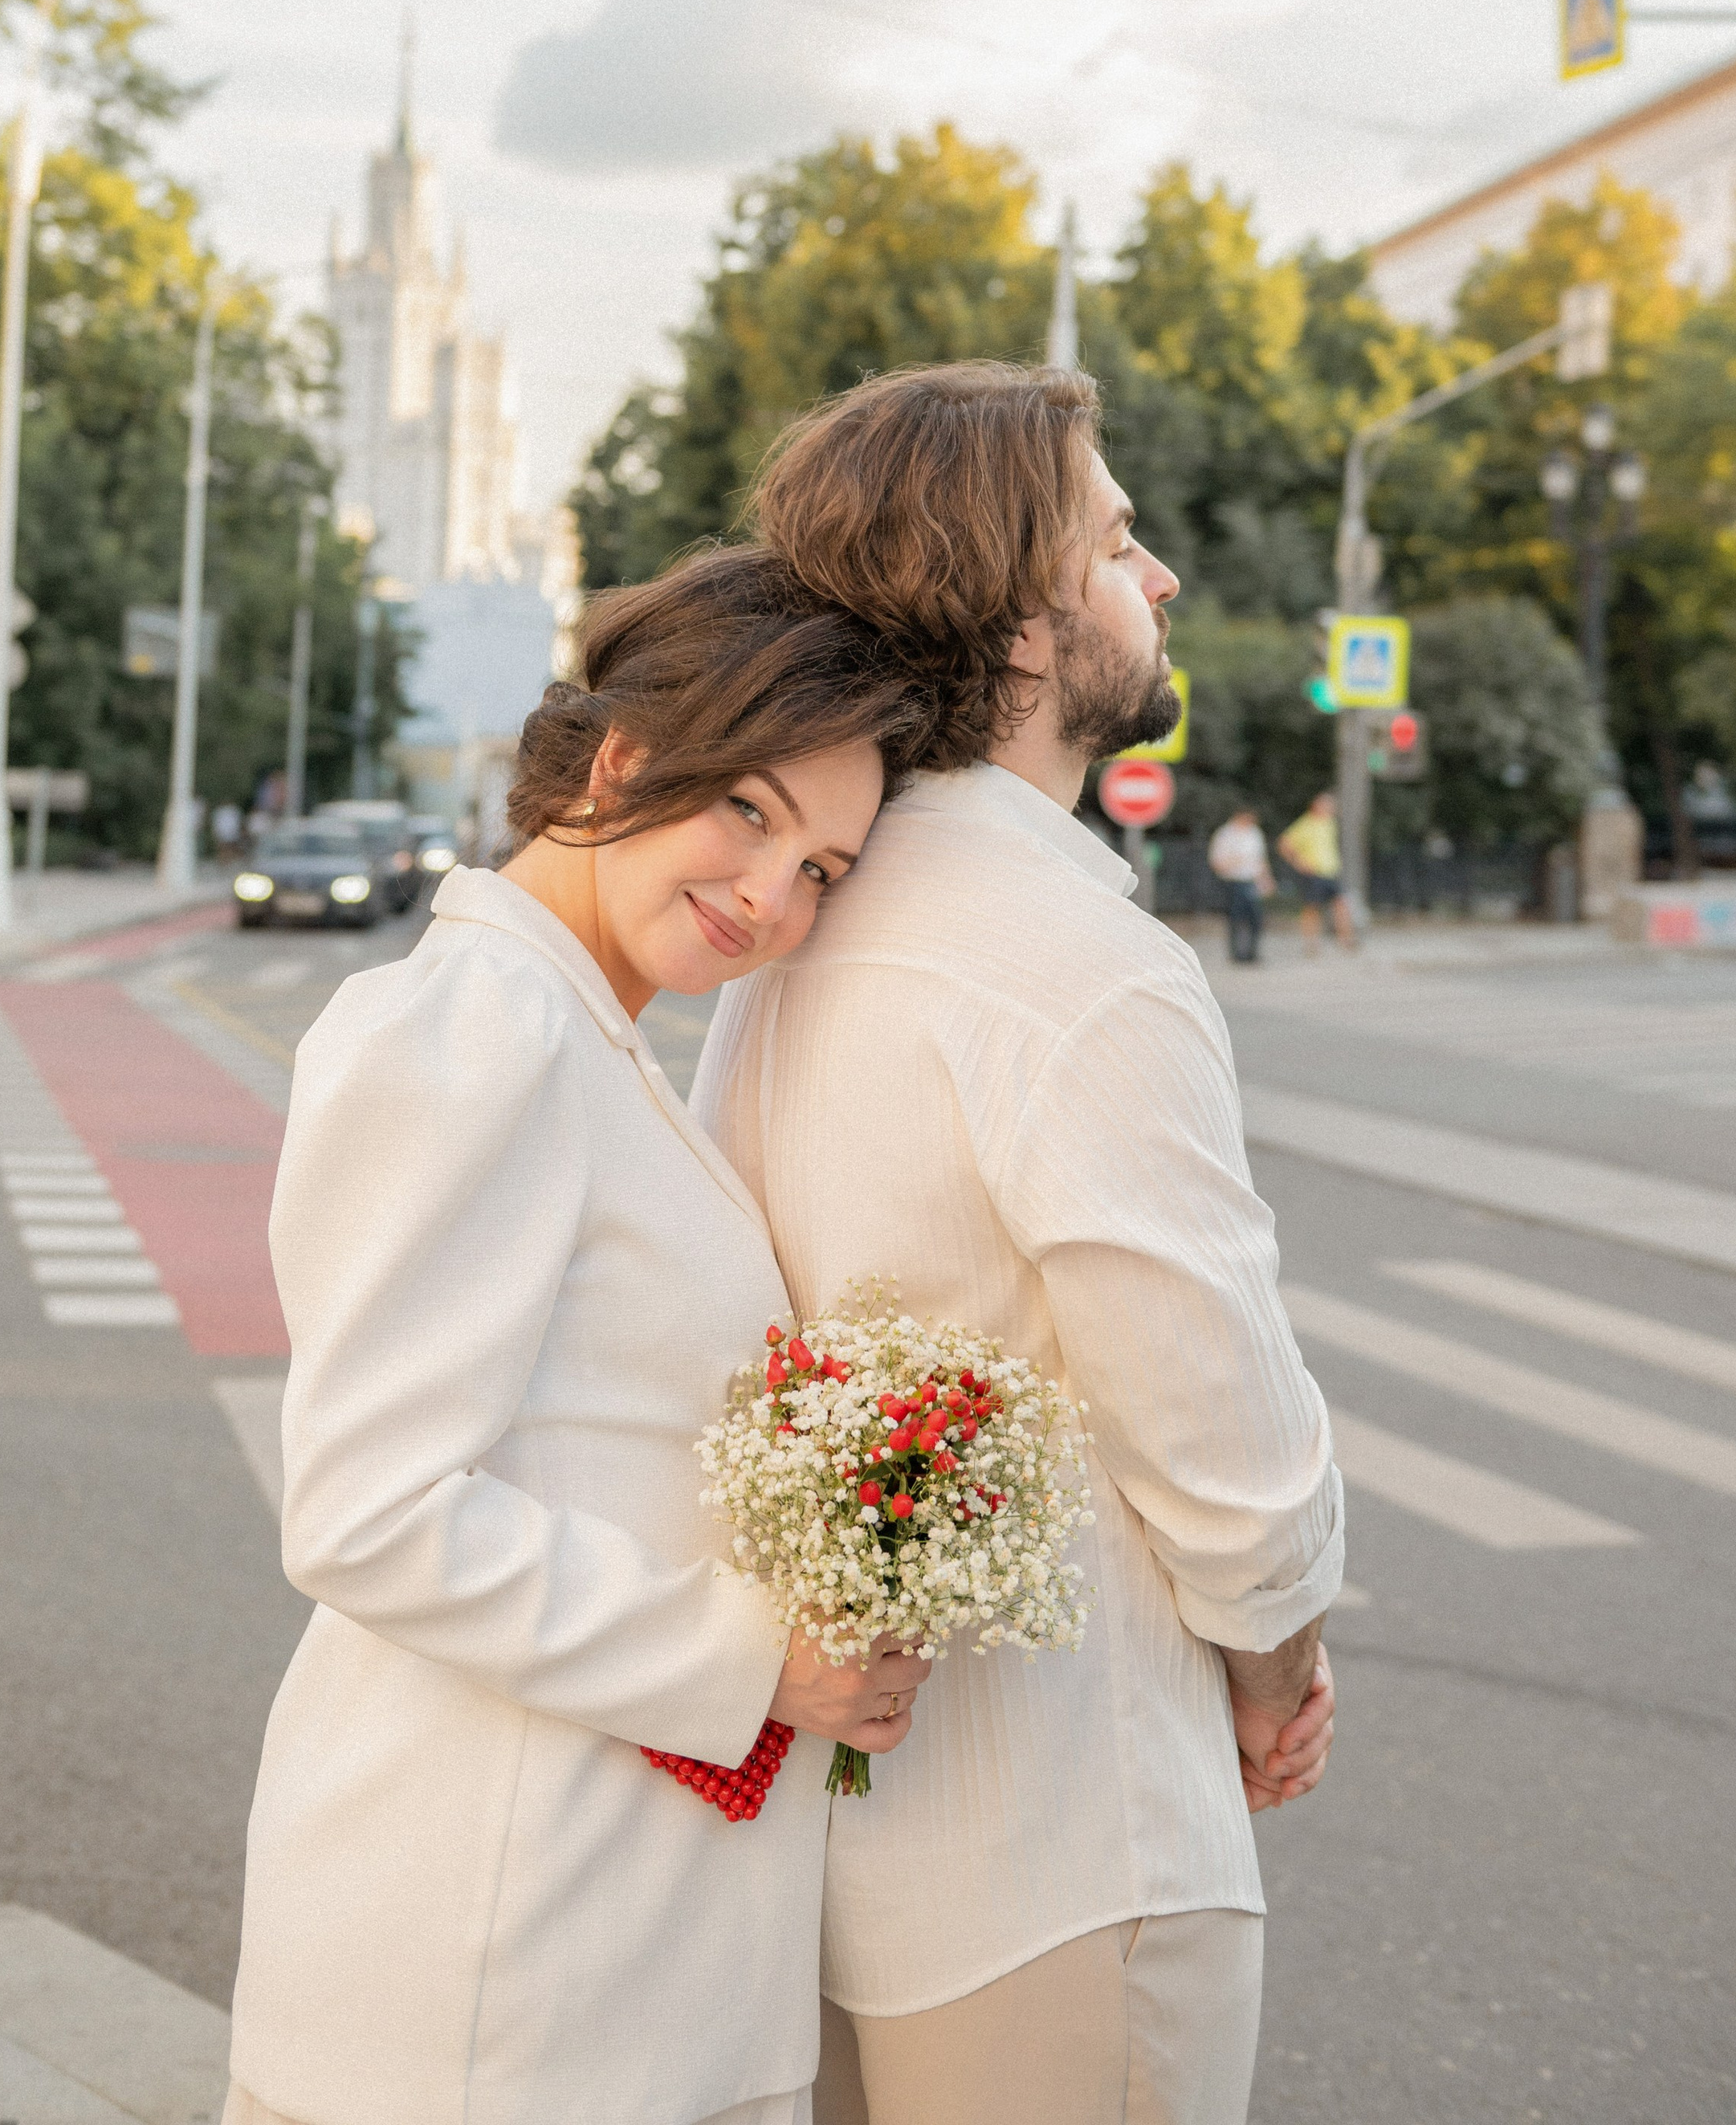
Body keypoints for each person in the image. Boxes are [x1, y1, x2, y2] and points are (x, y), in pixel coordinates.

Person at [695, 362, 1343, 2125]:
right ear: (1026, 629)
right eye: (1117, 540)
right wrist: (1277, 1669)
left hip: (837, 1851)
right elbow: (1214, 1429)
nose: (1161, 580)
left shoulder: (791, 945)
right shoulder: (1076, 967)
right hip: (1074, 1849)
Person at [225, 546, 933, 2125]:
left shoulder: (578, 1036)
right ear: (622, 756)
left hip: (599, 1935)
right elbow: (370, 1512)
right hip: (490, 1958)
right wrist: (765, 1656)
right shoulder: (475, 1028)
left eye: (821, 867)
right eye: (747, 811)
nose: (771, 894)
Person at [1278, 789, 1356, 952]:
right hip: (1314, 874)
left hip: (1331, 872)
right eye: (1327, 804)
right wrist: (1298, 862)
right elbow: (1284, 843)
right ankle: (1311, 944)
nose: (1331, 808)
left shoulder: (1330, 823)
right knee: (1312, 909)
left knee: (1341, 905)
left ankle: (1346, 940)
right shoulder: (1306, 824)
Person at [1207, 804, 1272, 963]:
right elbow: (1217, 861)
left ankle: (1252, 952)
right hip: (1233, 881)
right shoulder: (1226, 834)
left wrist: (1266, 878)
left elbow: (1260, 858)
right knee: (1236, 918)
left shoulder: (1254, 833)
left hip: (1251, 881)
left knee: (1255, 918)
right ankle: (1237, 953)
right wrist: (1236, 861)